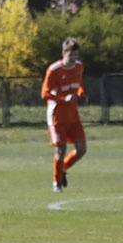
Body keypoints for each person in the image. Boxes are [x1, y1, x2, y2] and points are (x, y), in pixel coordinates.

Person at [41, 37, 87, 193]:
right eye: (71, 56)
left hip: (73, 115)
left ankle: (62, 170)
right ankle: (57, 182)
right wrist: (63, 99)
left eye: (76, 55)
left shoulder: (79, 67)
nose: (74, 59)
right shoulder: (54, 70)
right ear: (63, 53)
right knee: (61, 150)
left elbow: (79, 84)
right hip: (57, 116)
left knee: (81, 149)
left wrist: (81, 93)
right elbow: (45, 93)